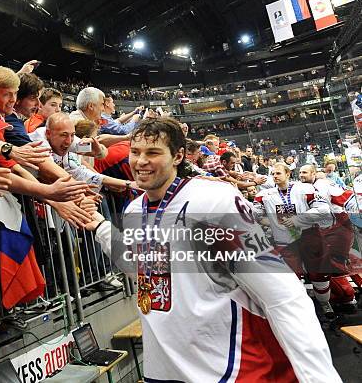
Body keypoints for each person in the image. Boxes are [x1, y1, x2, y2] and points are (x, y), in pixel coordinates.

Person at [89, 118, 341, 382]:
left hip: (227, 367)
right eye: (135, 152)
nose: (141, 161)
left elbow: (281, 293)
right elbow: (144, 272)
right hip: (166, 367)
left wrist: (319, 377)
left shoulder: (211, 201)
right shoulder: (134, 210)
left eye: (153, 152)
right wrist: (99, 227)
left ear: (178, 156)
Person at [253, 162, 336, 317]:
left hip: (309, 236)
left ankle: (325, 302)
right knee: (292, 277)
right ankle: (301, 308)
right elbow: (255, 215)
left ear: (288, 174)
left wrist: (298, 219)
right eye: (273, 174)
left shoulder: (305, 188)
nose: (275, 176)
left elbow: (323, 209)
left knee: (319, 272)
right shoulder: (265, 195)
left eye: (278, 173)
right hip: (284, 240)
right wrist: (270, 223)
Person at [299, 164, 358, 313]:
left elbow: (347, 198)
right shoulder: (302, 188)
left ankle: (346, 297)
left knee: (328, 267)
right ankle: (343, 298)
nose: (301, 175)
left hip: (338, 227)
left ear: (314, 173)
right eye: (299, 172)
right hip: (323, 230)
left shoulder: (323, 184)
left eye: (305, 172)